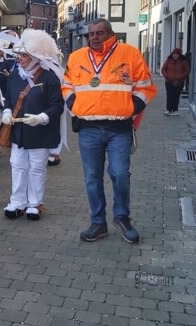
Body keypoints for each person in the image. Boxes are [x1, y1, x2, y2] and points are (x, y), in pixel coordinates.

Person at [62, 18, 157, 243]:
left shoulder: (130, 54)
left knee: (120, 174)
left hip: (119, 129)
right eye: (91, 34)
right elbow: (66, 85)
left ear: (110, 34)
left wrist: (131, 107)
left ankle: (122, 217)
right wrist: (74, 104)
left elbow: (145, 86)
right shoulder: (76, 58)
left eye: (99, 33)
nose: (94, 37)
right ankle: (98, 223)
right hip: (88, 129)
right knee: (92, 178)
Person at [2, 30, 64, 221]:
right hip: (19, 130)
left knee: (37, 168)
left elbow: (57, 105)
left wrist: (42, 117)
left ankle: (34, 203)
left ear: (35, 58)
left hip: (41, 131)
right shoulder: (14, 76)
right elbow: (9, 100)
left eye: (23, 56)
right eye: (19, 55)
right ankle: (17, 202)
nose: (19, 59)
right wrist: (6, 112)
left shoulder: (49, 78)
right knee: (17, 165)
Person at [161, 48, 190, 116]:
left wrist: (182, 77)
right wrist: (167, 76)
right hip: (169, 81)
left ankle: (175, 110)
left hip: (179, 82)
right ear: (172, 54)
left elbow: (187, 70)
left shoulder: (183, 61)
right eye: (174, 54)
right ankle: (168, 110)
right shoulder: (168, 60)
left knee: (176, 96)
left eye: (177, 54)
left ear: (179, 55)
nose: (175, 56)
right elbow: (163, 69)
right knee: (169, 95)